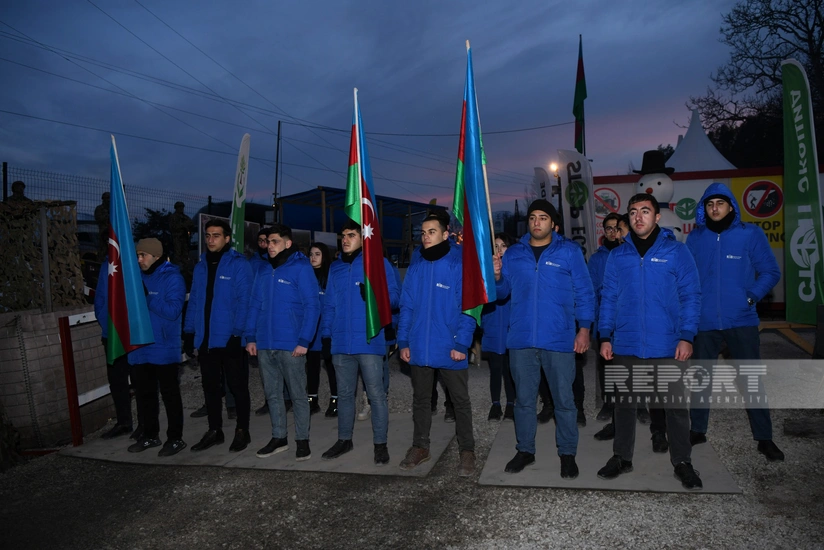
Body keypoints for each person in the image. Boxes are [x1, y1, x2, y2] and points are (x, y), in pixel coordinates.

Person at [597, 194, 703, 490]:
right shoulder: (618, 256)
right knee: (624, 405)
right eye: (633, 212)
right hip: (626, 343)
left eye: (645, 211)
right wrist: (605, 336)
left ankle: (682, 461)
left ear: (657, 217)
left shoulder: (677, 253)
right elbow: (608, 298)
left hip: (667, 344)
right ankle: (622, 457)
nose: (638, 217)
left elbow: (691, 297)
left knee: (676, 408)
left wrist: (686, 336)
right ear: (628, 219)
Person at [493, 199, 594, 479]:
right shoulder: (513, 254)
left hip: (559, 339)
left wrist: (584, 329)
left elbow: (585, 293)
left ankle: (567, 453)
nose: (537, 222)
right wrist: (498, 276)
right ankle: (525, 449)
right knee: (524, 401)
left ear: (554, 224)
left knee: (564, 400)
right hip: (522, 339)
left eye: (543, 218)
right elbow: (501, 294)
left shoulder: (570, 252)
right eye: (533, 217)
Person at [686, 183, 784, 461]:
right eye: (709, 204)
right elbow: (688, 278)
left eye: (720, 203)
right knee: (702, 379)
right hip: (704, 322)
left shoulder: (749, 234)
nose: (714, 208)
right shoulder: (696, 238)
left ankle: (765, 439)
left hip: (741, 319)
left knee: (751, 381)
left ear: (731, 206)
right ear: (703, 209)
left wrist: (750, 297)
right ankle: (698, 430)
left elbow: (770, 271)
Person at [397, 212, 477, 476]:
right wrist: (404, 340)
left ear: (445, 234)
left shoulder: (458, 264)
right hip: (420, 345)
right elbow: (407, 306)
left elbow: (469, 307)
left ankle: (467, 451)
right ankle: (420, 446)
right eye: (423, 232)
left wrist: (462, 344)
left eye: (432, 231)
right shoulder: (417, 265)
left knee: (460, 401)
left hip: (450, 347)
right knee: (421, 399)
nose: (426, 237)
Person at [320, 221, 400, 465]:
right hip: (341, 343)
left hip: (369, 341)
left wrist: (375, 296)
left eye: (351, 235)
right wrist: (326, 335)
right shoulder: (335, 268)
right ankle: (345, 439)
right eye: (342, 235)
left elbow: (396, 298)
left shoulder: (378, 264)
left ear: (363, 237)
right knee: (344, 395)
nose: (345, 239)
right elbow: (329, 304)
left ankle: (380, 444)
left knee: (376, 395)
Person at [245, 224, 320, 461]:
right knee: (273, 394)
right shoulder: (264, 270)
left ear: (287, 243)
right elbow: (255, 303)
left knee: (298, 395)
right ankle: (279, 438)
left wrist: (304, 340)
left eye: (275, 241)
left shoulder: (301, 268)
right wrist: (251, 337)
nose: (270, 246)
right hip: (266, 343)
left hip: (291, 345)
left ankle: (302, 440)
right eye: (268, 241)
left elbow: (312, 306)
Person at [183, 219, 253, 453]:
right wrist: (189, 332)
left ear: (226, 239)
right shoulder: (201, 265)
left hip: (229, 338)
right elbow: (194, 300)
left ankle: (243, 431)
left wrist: (237, 334)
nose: (211, 240)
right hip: (206, 339)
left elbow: (245, 302)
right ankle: (215, 430)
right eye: (208, 235)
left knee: (238, 386)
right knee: (210, 387)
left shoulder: (239, 264)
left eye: (216, 235)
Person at [127, 238, 187, 457]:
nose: (139, 259)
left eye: (143, 255)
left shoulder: (172, 278)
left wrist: (147, 298)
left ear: (156, 256)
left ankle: (175, 438)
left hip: (163, 347)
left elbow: (173, 310)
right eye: (137, 255)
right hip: (140, 347)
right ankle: (150, 435)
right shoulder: (135, 278)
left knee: (170, 396)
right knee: (145, 396)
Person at [94, 255, 141, 440]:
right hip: (112, 334)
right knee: (117, 381)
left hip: (132, 333)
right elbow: (100, 296)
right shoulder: (106, 264)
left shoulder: (133, 263)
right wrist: (105, 322)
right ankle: (123, 422)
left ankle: (145, 424)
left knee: (139, 380)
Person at [588, 213, 624, 423]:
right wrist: (594, 321)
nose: (612, 232)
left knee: (632, 364)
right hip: (605, 320)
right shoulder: (597, 258)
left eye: (616, 228)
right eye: (608, 228)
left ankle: (638, 406)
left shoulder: (630, 253)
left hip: (627, 321)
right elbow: (591, 291)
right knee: (607, 365)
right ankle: (608, 403)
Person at [482, 232, 515, 421]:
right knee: (495, 369)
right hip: (494, 324)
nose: (499, 249)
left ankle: (511, 403)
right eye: (496, 246)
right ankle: (495, 404)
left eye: (503, 245)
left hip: (510, 326)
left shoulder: (513, 269)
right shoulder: (487, 271)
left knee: (510, 369)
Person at [306, 242, 338, 417]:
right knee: (311, 367)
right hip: (311, 329)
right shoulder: (306, 275)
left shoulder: (331, 276)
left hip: (327, 329)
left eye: (317, 254)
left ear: (324, 256)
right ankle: (312, 400)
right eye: (311, 254)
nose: (313, 258)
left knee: (331, 366)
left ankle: (335, 400)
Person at [169, 201, 196, 270]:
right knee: (177, 255)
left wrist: (185, 226)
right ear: (176, 208)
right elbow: (173, 227)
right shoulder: (173, 217)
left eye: (182, 207)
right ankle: (176, 269)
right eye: (179, 207)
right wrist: (183, 226)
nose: (181, 209)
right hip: (177, 238)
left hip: (184, 238)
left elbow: (191, 224)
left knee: (185, 255)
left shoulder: (185, 217)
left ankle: (185, 269)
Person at [94, 192, 110, 261]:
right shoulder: (99, 208)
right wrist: (108, 216)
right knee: (103, 250)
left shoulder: (112, 208)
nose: (108, 200)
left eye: (109, 198)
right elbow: (99, 218)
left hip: (112, 232)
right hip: (103, 233)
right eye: (107, 198)